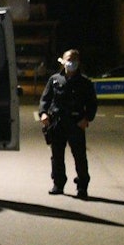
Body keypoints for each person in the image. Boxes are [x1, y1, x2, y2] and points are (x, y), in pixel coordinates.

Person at [38, 49, 98, 198]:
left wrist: (87, 118)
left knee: (79, 156)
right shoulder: (54, 80)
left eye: (75, 59)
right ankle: (58, 184)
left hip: (76, 123)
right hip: (57, 123)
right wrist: (43, 113)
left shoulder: (85, 82)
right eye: (69, 59)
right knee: (57, 156)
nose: (72, 62)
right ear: (63, 61)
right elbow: (45, 99)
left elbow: (92, 103)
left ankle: (82, 187)